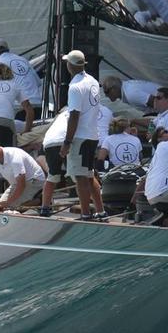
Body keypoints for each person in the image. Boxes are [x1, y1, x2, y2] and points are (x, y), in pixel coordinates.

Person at [60, 49, 105, 220]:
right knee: (88, 174)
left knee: (80, 177)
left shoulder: (75, 87)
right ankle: (101, 211)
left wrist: (67, 142)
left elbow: (74, 115)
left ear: (70, 65)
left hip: (80, 137)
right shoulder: (93, 81)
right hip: (93, 135)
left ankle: (86, 214)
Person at [0, 138, 46, 212]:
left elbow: (21, 184)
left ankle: (39, 200)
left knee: (9, 208)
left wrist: (6, 203)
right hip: (17, 183)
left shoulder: (14, 157)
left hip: (35, 180)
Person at [0, 39, 44, 119]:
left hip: (19, 107)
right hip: (37, 103)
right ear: (8, 50)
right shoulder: (23, 60)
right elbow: (38, 82)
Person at [35, 109, 70, 217]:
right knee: (79, 176)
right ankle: (87, 210)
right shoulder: (79, 110)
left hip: (49, 142)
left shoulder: (60, 117)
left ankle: (45, 208)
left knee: (52, 177)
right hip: (64, 141)